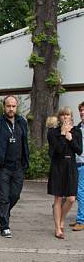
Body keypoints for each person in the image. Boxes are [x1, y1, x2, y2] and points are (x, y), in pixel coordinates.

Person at [0, 95, 29, 238]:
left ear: (16, 107)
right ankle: (4, 226)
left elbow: (25, 142)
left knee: (15, 195)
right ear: (4, 107)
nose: (11, 109)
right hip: (2, 167)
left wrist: (26, 161)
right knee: (4, 197)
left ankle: (2, 214)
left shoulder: (22, 122)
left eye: (13, 106)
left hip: (18, 166)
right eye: (8, 106)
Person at [47, 107, 82, 239]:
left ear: (71, 117)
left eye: (67, 115)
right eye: (62, 115)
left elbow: (79, 150)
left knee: (71, 198)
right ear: (59, 117)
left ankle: (61, 219)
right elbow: (56, 151)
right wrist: (62, 135)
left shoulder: (76, 131)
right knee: (58, 198)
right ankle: (57, 228)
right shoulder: (53, 132)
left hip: (71, 166)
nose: (65, 117)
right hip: (58, 166)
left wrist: (70, 138)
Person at [69, 101, 84, 231]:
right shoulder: (78, 128)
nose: (82, 113)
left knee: (79, 192)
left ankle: (81, 220)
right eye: (81, 110)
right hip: (77, 163)